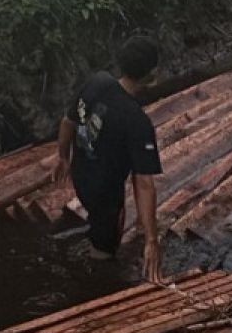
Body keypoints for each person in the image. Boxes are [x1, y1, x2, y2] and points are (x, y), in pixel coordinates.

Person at [53, 36, 163, 283]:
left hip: (81, 176)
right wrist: (151, 240)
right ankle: (96, 285)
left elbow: (68, 121)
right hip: (105, 194)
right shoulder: (137, 122)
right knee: (104, 250)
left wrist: (63, 158)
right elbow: (144, 183)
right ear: (152, 74)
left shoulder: (97, 82)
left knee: (101, 224)